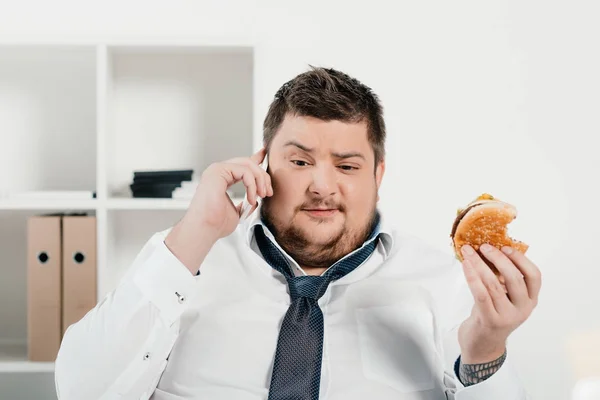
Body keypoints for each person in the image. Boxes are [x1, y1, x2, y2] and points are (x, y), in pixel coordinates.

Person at [55, 67, 541, 400]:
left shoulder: (446, 283)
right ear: (262, 163)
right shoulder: (183, 261)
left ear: (378, 176)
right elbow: (81, 389)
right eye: (300, 161)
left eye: (347, 165)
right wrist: (196, 230)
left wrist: (486, 352)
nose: (322, 186)